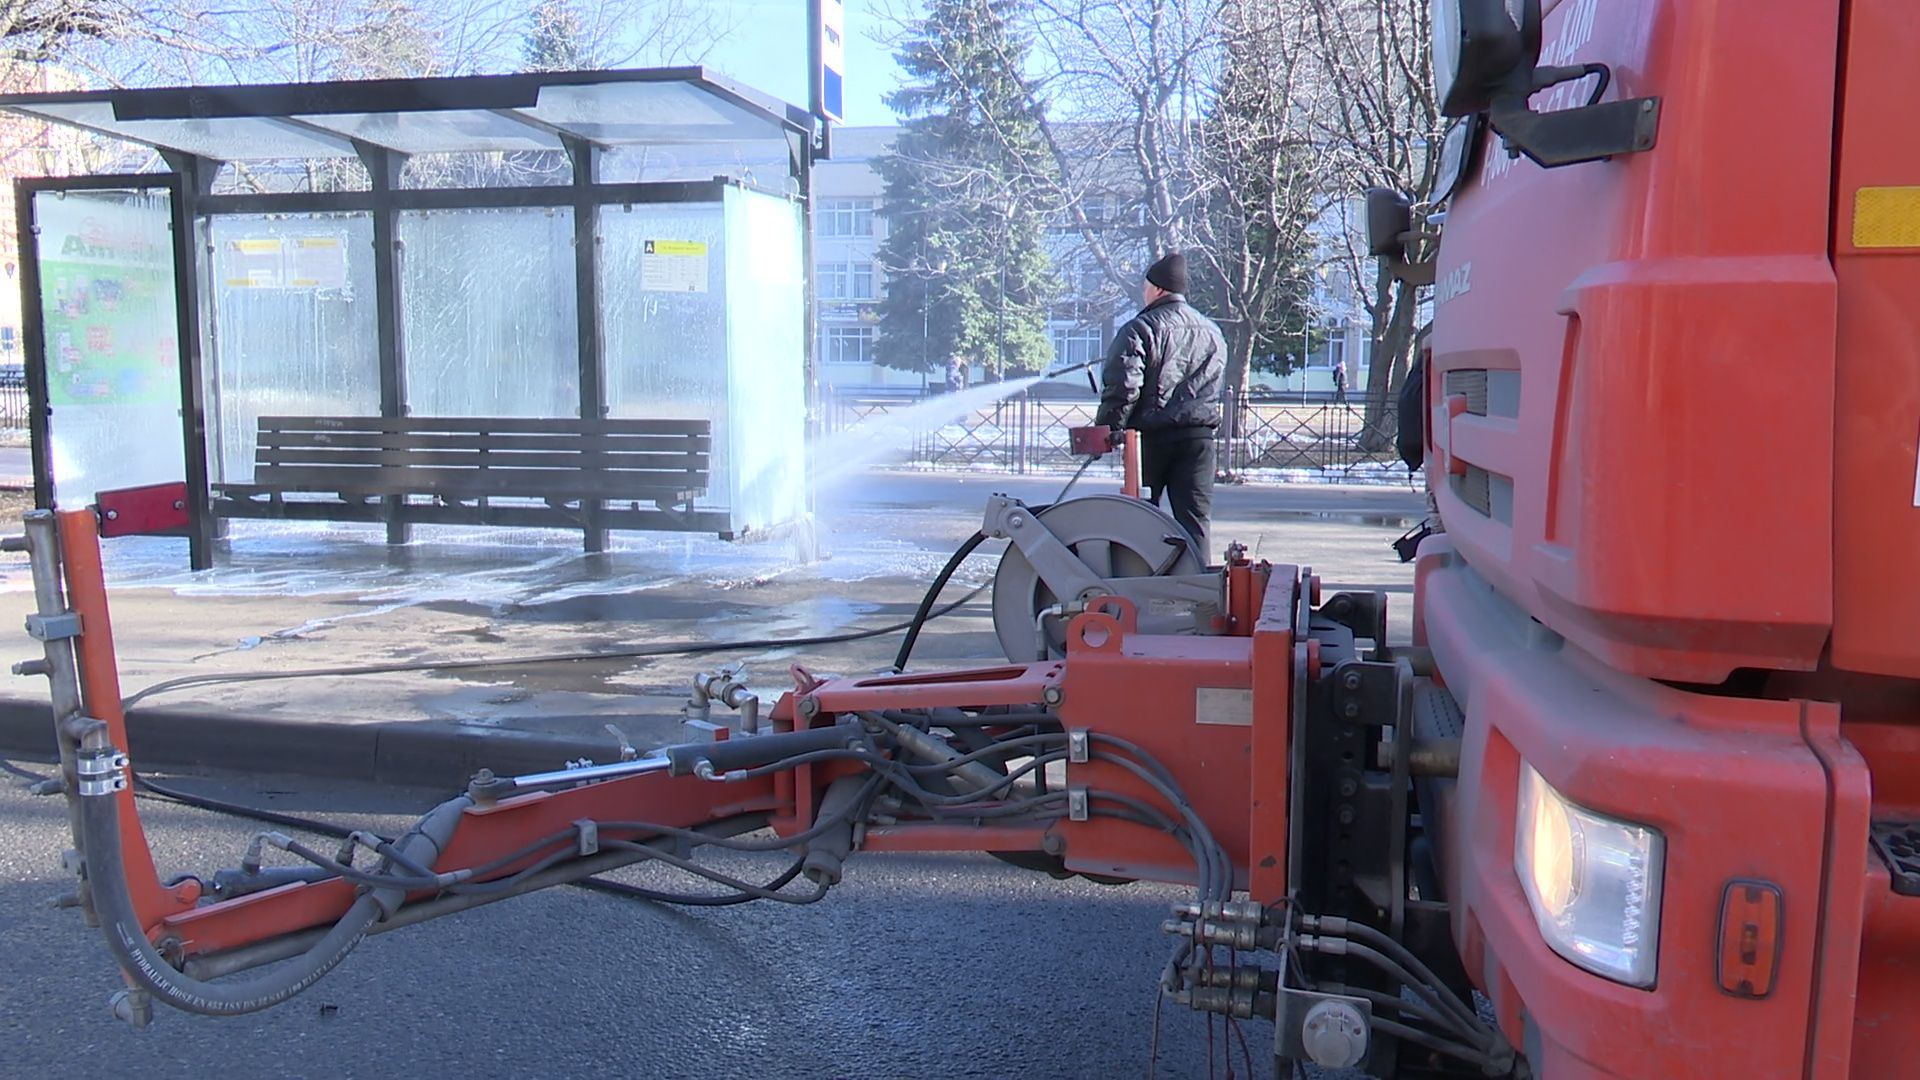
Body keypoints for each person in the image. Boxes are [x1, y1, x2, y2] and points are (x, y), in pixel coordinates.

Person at [1094, 252, 1227, 560]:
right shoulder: (1212, 332)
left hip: (1149, 440)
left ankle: (1139, 582)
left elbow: (1124, 386)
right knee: (1195, 521)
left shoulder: (1141, 329)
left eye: (1146, 286)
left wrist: (1109, 429)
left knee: (1139, 519)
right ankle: (1200, 590)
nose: (1144, 292)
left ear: (1158, 289)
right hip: (1199, 440)